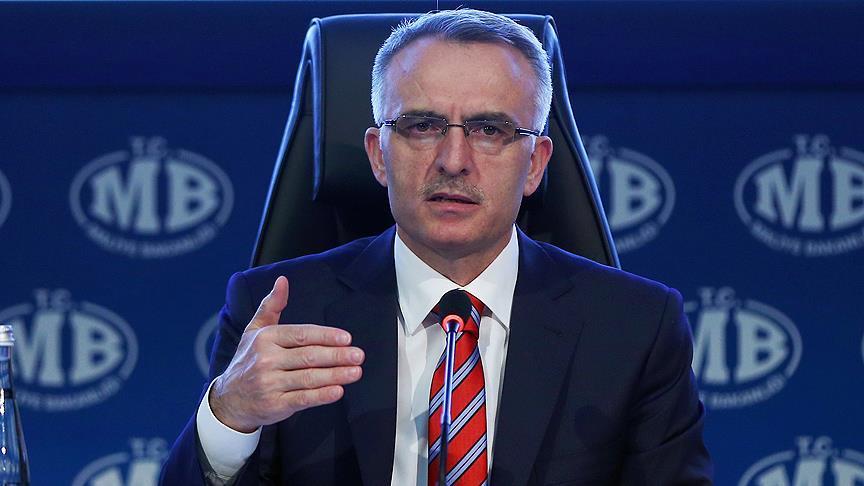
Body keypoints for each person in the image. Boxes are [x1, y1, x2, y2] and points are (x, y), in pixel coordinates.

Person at [162, 8, 712, 485]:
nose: (453, 160)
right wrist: (229, 415)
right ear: (378, 155)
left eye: (489, 130)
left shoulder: (635, 328)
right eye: (423, 126)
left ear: (536, 165)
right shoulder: (280, 311)